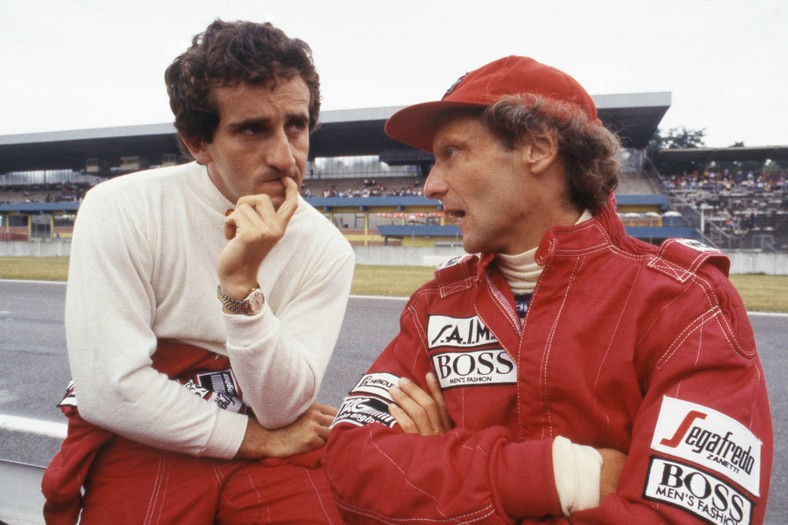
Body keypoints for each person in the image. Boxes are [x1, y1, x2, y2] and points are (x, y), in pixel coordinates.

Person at [323, 56, 773, 524]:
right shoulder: (434, 306)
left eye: (452, 153)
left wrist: (443, 468)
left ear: (537, 148)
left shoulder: (684, 301)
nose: (431, 185)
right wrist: (567, 475)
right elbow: (350, 466)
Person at [41, 19, 354, 524]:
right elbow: (109, 389)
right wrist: (251, 440)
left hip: (265, 426)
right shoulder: (120, 207)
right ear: (197, 143)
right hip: (149, 431)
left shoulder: (328, 249)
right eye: (253, 129)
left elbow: (281, 407)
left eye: (295, 126)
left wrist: (241, 289)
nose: (284, 156)